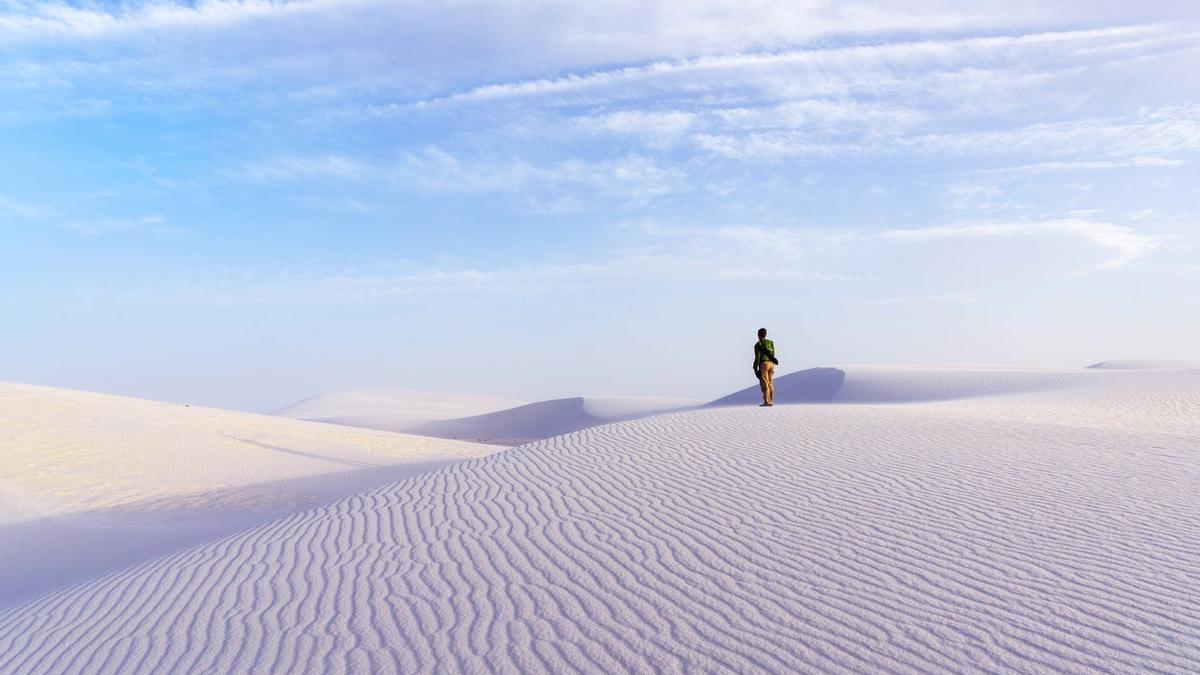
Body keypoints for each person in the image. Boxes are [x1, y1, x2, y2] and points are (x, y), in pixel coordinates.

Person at [753, 327, 779, 407]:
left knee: (765, 383)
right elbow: (772, 354)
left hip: (763, 364)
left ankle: (766, 402)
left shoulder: (758, 344)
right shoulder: (770, 343)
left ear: (758, 335)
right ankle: (770, 400)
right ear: (766, 334)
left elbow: (757, 357)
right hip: (771, 363)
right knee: (771, 382)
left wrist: (755, 368)